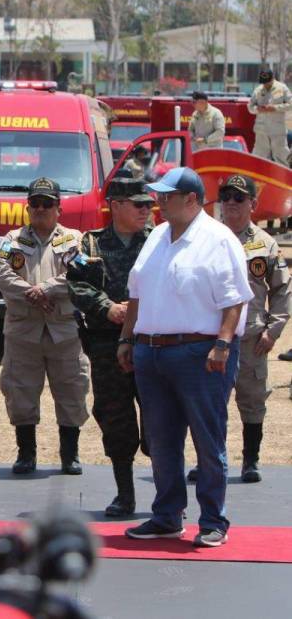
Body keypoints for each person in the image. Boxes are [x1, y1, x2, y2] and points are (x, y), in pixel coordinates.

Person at [119, 166, 253, 548]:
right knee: (161, 440)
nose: (158, 202)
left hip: (200, 351)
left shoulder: (218, 239)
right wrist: (127, 338)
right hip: (152, 349)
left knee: (208, 441)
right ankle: (166, 515)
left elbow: (235, 299)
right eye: (158, 195)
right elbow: (137, 292)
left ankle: (213, 519)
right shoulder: (158, 235)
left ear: (192, 200)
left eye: (167, 195)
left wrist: (223, 345)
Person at [186, 175, 289, 484]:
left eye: (239, 197)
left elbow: (282, 290)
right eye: (226, 196)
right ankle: (209, 461)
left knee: (252, 399)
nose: (230, 202)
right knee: (209, 402)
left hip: (251, 338)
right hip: (208, 336)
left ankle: (250, 461)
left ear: (253, 205)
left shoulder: (265, 244)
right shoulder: (205, 239)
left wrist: (274, 330)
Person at [67, 170, 154, 517]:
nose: (145, 210)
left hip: (151, 343)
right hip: (107, 347)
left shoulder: (158, 242)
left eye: (148, 204)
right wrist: (107, 306)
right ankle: (125, 495)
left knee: (159, 425)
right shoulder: (90, 244)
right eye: (137, 204)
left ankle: (167, 498)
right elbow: (75, 285)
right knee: (117, 422)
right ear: (116, 206)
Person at [0, 177, 90, 476]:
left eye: (47, 204)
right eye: (35, 203)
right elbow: (0, 273)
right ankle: (26, 453)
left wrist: (46, 288)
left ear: (59, 208)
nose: (40, 209)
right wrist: (30, 293)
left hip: (65, 331)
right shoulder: (12, 240)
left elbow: (82, 273)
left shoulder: (75, 239)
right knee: (20, 390)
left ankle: (69, 454)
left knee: (72, 389)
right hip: (24, 330)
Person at [247, 70, 292, 162]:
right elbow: (250, 107)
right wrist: (257, 109)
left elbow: (290, 104)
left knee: (281, 156)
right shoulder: (258, 90)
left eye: (267, 82)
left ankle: (285, 175)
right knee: (259, 157)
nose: (265, 84)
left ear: (272, 79)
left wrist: (275, 108)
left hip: (277, 130)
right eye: (263, 82)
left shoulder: (282, 88)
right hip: (261, 131)